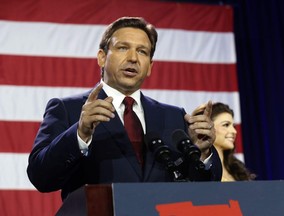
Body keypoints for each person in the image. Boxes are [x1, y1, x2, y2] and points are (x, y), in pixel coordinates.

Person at [27, 16, 222, 200]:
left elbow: (202, 191)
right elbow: (41, 178)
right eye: (122, 48)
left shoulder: (174, 116)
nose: (133, 58)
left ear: (150, 66)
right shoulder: (69, 109)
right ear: (102, 57)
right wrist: (80, 133)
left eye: (142, 51)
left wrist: (203, 154)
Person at [192, 102, 256, 181]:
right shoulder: (193, 169)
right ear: (205, 128)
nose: (234, 131)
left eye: (233, 126)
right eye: (226, 125)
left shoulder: (238, 170)